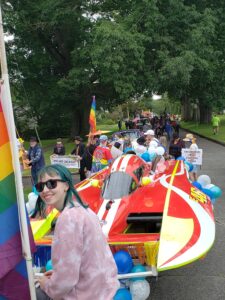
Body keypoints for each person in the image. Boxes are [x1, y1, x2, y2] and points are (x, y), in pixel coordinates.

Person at [35, 164, 119, 300]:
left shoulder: (68, 218)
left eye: (51, 183)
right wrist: (58, 275)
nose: (45, 190)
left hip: (85, 294)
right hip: (103, 289)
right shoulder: (82, 209)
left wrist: (48, 285)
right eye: (40, 186)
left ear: (66, 186)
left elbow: (66, 280)